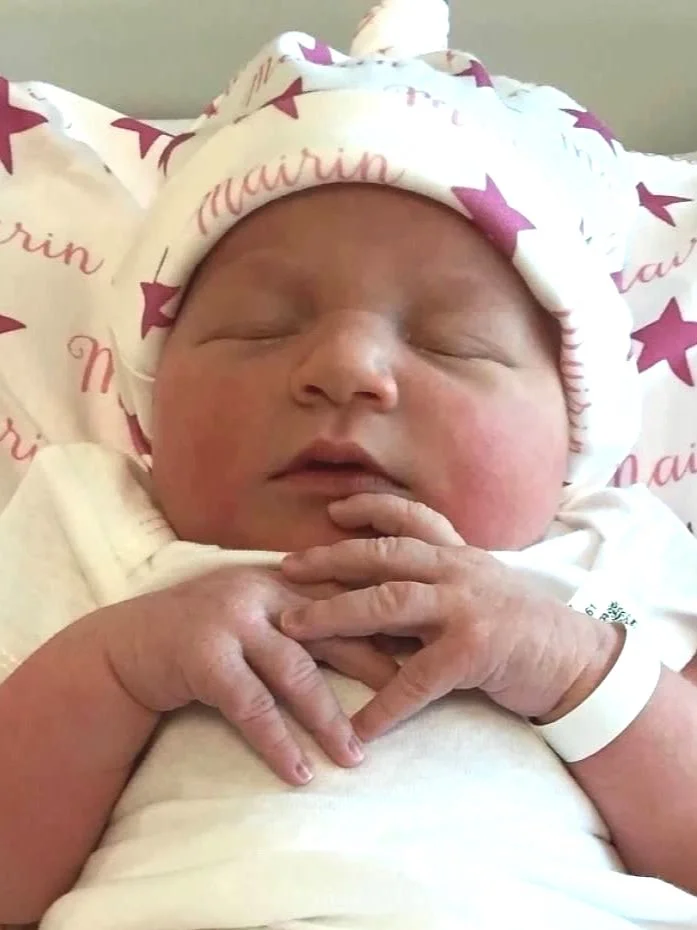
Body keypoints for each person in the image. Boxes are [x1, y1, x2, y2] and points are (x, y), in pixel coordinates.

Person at [3, 1, 697, 928]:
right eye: (260, 327)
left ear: (572, 434)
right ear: (152, 403)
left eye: (453, 343)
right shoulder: (92, 523)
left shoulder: (607, 560)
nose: (344, 369)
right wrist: (116, 669)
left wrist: (570, 664)